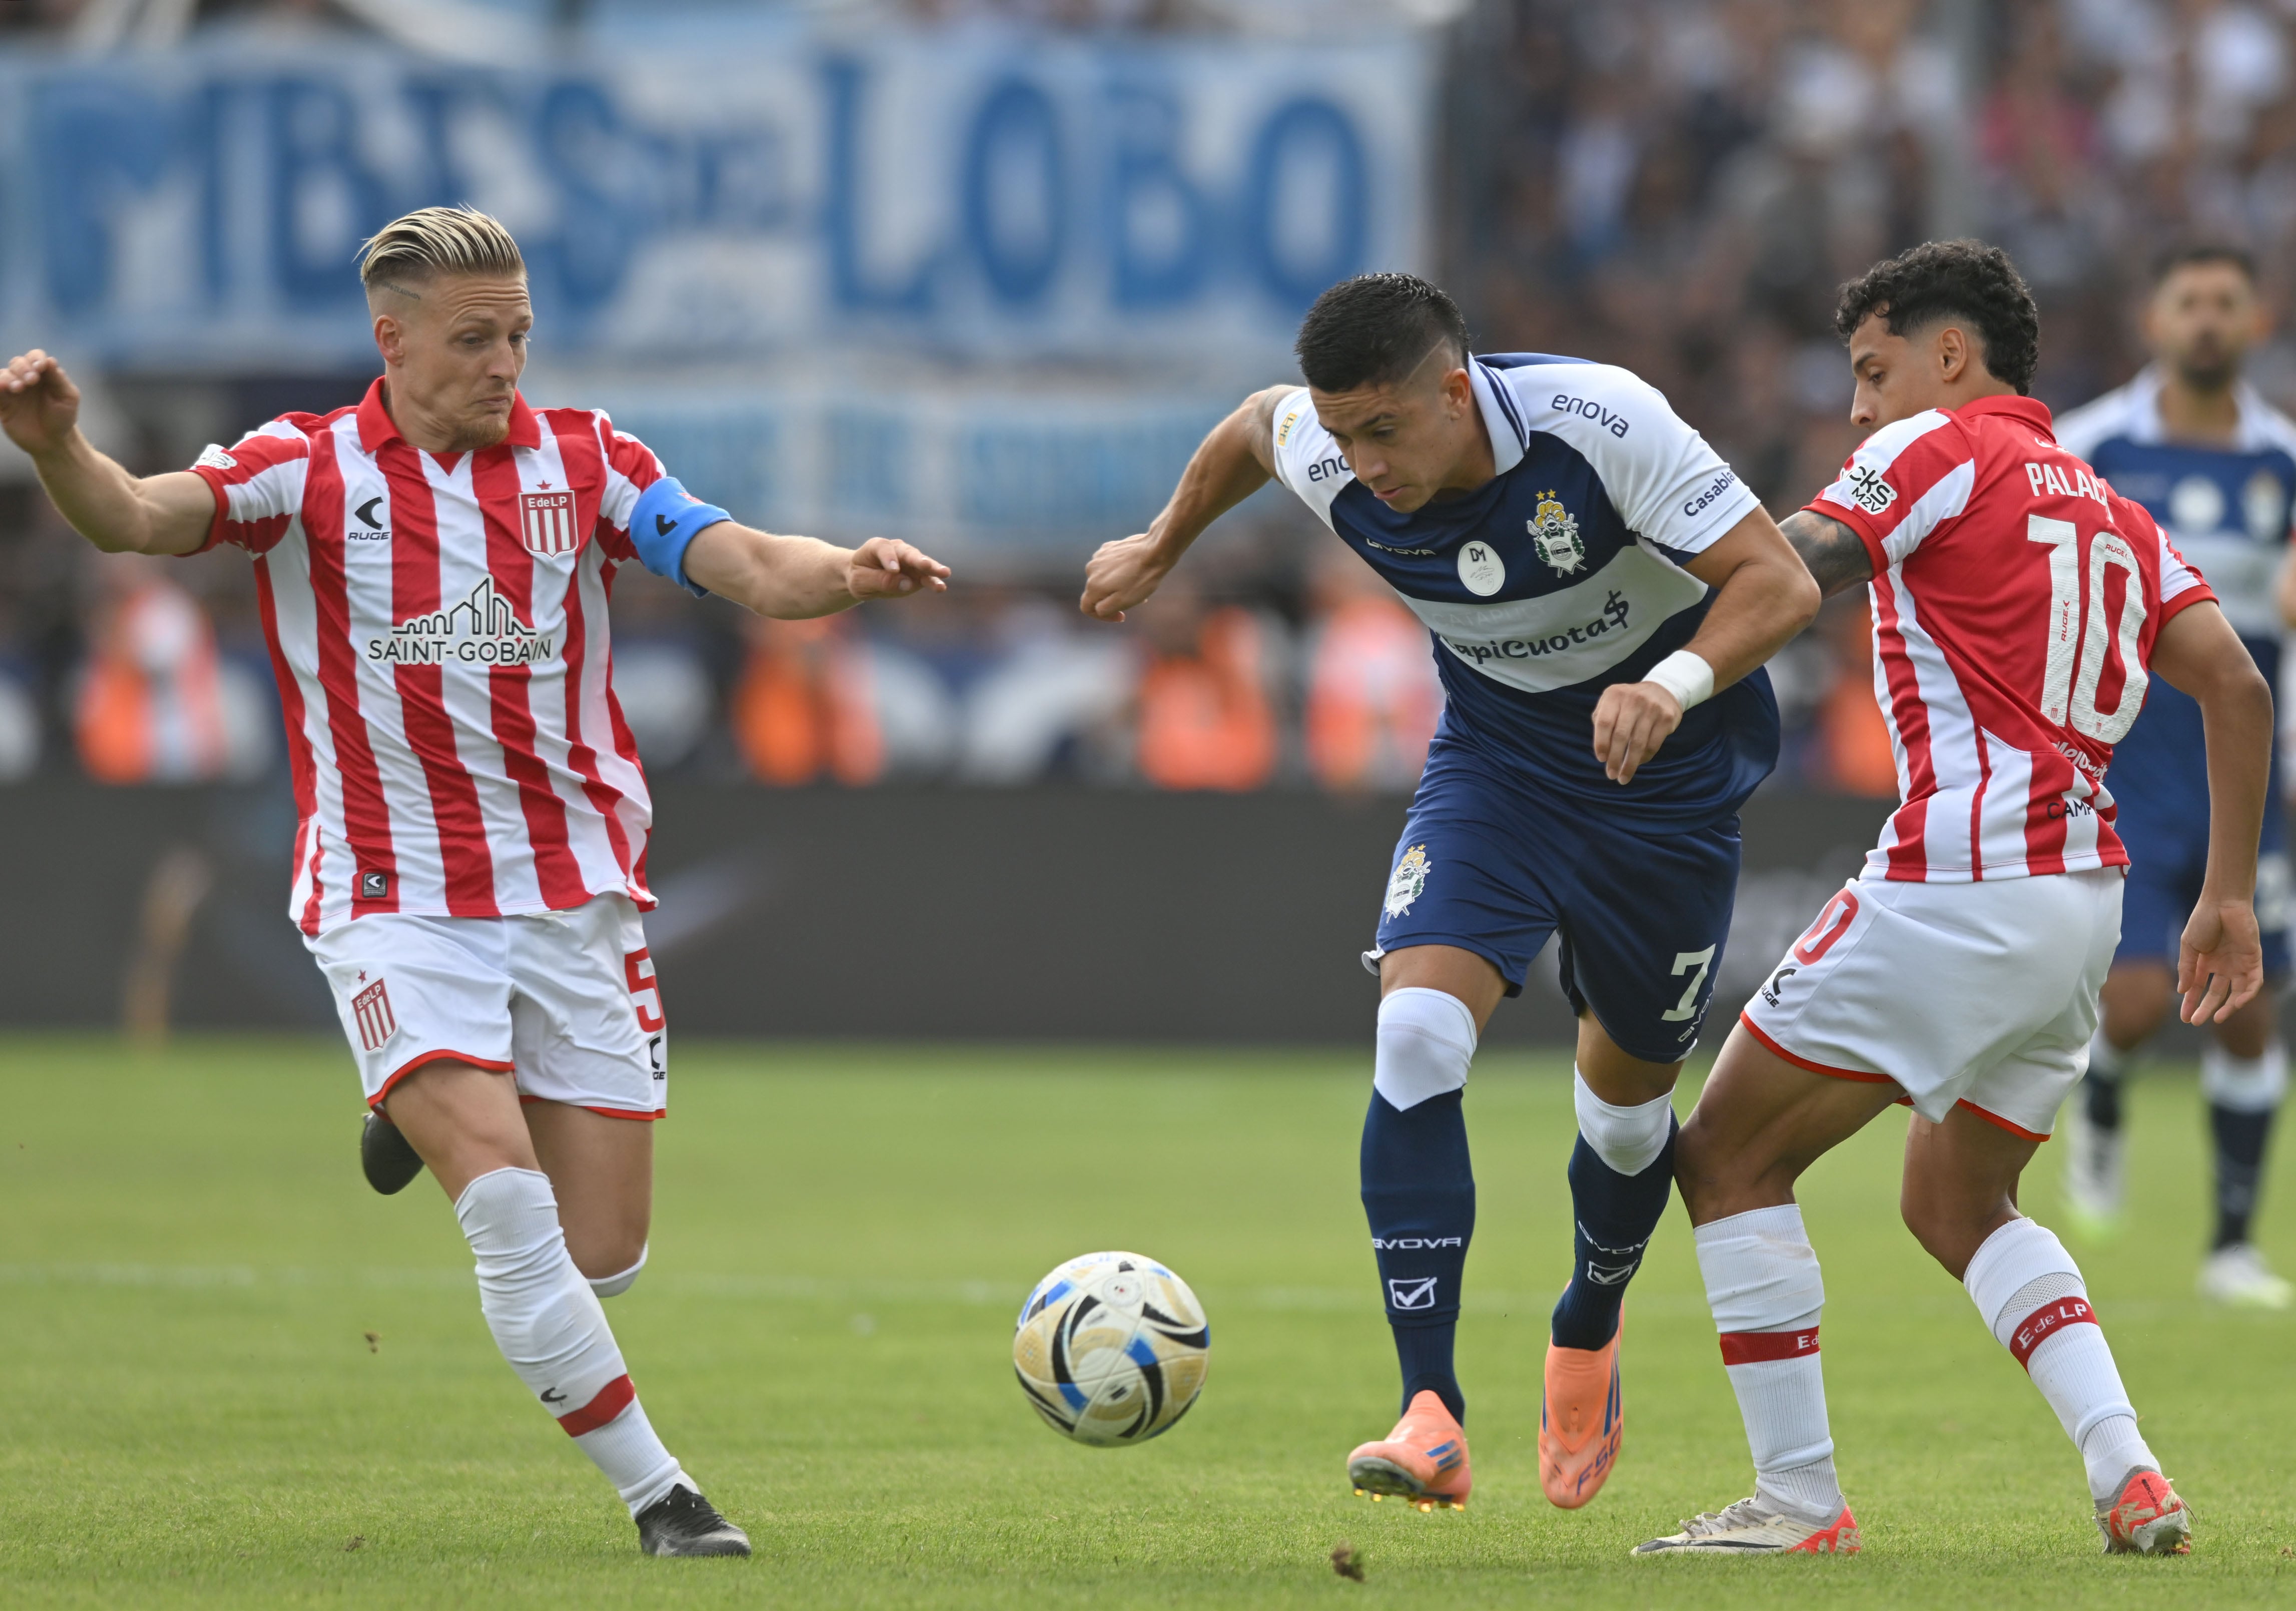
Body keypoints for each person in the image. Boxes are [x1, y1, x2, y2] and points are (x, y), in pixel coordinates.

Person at [0, 206, 949, 1556]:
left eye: (517, 336)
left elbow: (740, 559)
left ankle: (413, 1099)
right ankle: (665, 1499)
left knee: (603, 1254)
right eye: (472, 340)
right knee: (508, 1209)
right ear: (389, 342)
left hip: (571, 890)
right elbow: (140, 517)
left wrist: (844, 571)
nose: (503, 363)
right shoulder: (306, 469)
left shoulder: (589, 460)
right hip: (391, 892)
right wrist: (57, 449)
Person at [1081, 272, 1818, 1512]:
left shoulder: (1601, 425)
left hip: (1664, 783)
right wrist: (1162, 544)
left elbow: (1779, 582)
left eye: (1383, 430)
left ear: (1453, 389)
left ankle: (1587, 1324)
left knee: (1627, 1116)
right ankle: (1429, 1411)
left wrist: (1671, 683)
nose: (1362, 464)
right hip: (1497, 769)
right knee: (1416, 1032)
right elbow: (1254, 426)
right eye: (1343, 434)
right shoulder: (1327, 444)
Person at [1644, 240, 2264, 1557]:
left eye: (1872, 372)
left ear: (1946, 355)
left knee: (1724, 1156)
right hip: (2080, 905)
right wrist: (2225, 894)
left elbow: (1796, 562)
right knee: (1955, 1201)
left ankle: (1795, 1501)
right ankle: (2127, 1471)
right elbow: (2238, 684)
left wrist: (1658, 656)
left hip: (1961, 877)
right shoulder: (2111, 505)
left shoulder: (1934, 448)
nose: (1857, 405)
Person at [2053, 244, 2296, 1308]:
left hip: (2248, 779)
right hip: (2130, 766)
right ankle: (2102, 1095)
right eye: (2187, 301)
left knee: (2250, 1009)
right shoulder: (2090, 447)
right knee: (2140, 1000)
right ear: (2153, 320)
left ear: (2254, 322)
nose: (2205, 319)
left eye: (2224, 303)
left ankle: (2231, 1248)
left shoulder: (2283, 461)